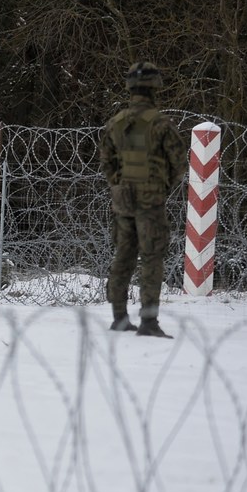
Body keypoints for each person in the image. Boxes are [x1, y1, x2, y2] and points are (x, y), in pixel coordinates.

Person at [98, 62, 186, 338]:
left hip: (123, 198)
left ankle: (119, 317)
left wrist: (119, 185)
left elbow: (106, 162)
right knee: (151, 256)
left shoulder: (116, 122)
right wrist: (161, 186)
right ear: (154, 88)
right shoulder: (161, 123)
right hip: (150, 199)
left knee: (123, 254)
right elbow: (178, 162)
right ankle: (148, 321)